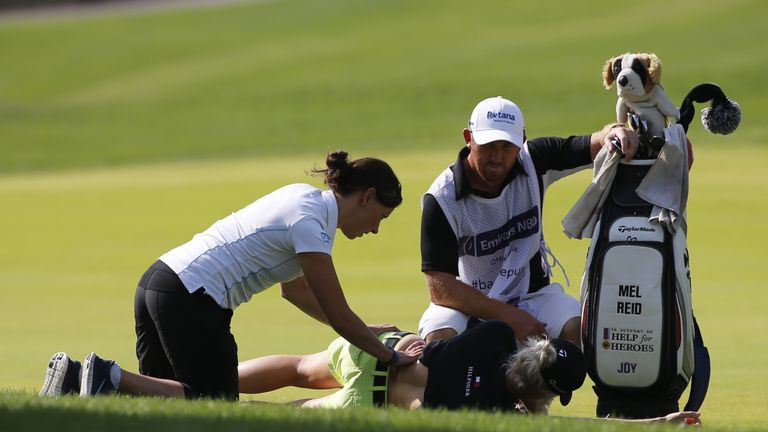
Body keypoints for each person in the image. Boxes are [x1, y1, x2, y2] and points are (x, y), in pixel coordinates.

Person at [39, 151, 423, 401]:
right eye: (381, 218)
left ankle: (72, 378)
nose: (375, 229)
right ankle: (106, 374)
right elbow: (337, 313)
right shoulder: (312, 224)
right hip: (191, 297)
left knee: (164, 404)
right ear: (367, 196)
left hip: (159, 283)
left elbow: (297, 291)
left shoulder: (305, 200)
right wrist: (388, 356)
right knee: (215, 402)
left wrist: (364, 328)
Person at [418, 96, 640, 344]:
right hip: (468, 301)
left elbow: (595, 142)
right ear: (469, 138)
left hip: (531, 296)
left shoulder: (534, 160)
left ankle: (549, 385)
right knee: (439, 335)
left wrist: (616, 131)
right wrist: (508, 316)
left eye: (506, 146)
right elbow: (440, 287)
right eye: (489, 145)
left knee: (578, 327)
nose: (497, 158)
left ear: (521, 141)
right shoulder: (441, 198)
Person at [235, 320, 702, 425]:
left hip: (381, 353)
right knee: (285, 414)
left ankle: (200, 381)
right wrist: (656, 423)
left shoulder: (496, 335)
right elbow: (577, 425)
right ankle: (203, 399)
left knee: (299, 367)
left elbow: (442, 337)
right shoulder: (498, 415)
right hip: (371, 402)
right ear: (542, 393)